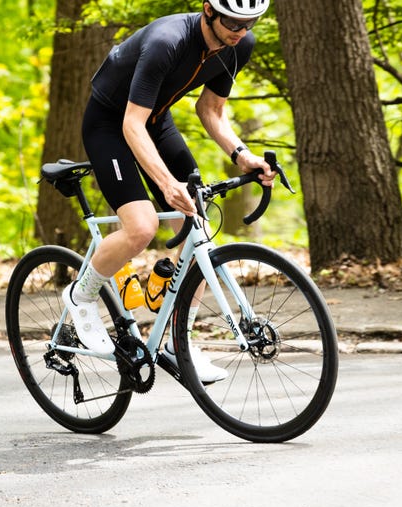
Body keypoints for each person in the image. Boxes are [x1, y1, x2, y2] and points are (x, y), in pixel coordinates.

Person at [61, 0, 276, 383]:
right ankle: (81, 296)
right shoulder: (167, 41)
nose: (240, 31)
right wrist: (165, 183)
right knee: (141, 227)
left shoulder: (239, 44)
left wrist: (242, 156)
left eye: (250, 22)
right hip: (111, 124)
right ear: (209, 10)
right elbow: (131, 124)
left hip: (156, 122)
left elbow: (211, 109)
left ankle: (179, 341)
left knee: (200, 223)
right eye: (233, 21)